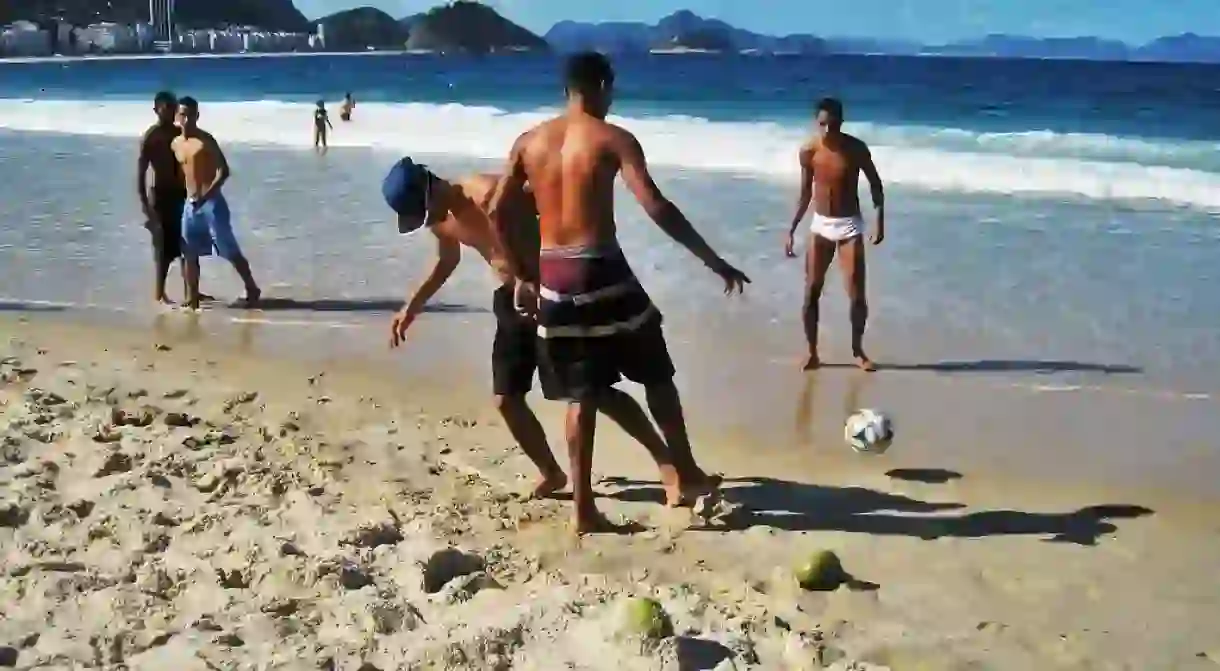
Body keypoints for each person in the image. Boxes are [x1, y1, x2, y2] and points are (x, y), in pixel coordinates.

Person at [483, 52, 751, 535]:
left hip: (554, 277)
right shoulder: (612, 138)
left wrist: (520, 274)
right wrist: (713, 260)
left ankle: (583, 510)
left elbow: (496, 209)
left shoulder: (529, 142)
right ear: (603, 85)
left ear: (568, 88)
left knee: (581, 393)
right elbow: (655, 205)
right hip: (601, 269)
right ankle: (685, 472)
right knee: (655, 370)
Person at [383, 158, 692, 503]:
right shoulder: (442, 219)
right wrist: (412, 306)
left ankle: (668, 465)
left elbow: (549, 222)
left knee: (593, 391)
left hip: (550, 292)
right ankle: (551, 472)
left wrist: (536, 278)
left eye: (426, 213)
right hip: (510, 299)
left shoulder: (487, 194)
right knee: (506, 399)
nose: (430, 222)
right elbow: (446, 260)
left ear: (433, 186)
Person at [783, 97, 885, 372]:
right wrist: (792, 228)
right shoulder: (809, 151)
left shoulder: (856, 149)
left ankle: (858, 350)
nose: (827, 130)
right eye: (822, 124)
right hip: (821, 225)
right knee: (811, 292)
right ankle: (812, 352)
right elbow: (805, 192)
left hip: (849, 226)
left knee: (856, 293)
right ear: (817, 123)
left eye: (833, 124)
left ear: (841, 122)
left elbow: (876, 185)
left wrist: (880, 222)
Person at [172, 96, 261, 310]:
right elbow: (183, 174)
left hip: (211, 204)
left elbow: (224, 171)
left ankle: (252, 288)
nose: (186, 119)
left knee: (228, 249)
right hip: (190, 204)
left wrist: (206, 195)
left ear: (197, 116)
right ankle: (193, 299)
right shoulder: (175, 143)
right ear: (177, 116)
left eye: (191, 114)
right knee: (188, 252)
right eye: (182, 114)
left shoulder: (205, 141)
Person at [137, 91, 190, 305]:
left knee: (187, 245)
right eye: (165, 107)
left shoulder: (181, 133)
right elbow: (141, 173)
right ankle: (159, 293)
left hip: (182, 194)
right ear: (156, 109)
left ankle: (190, 292)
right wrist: (145, 206)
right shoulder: (151, 136)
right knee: (162, 249)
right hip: (160, 196)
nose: (169, 111)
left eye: (172, 107)